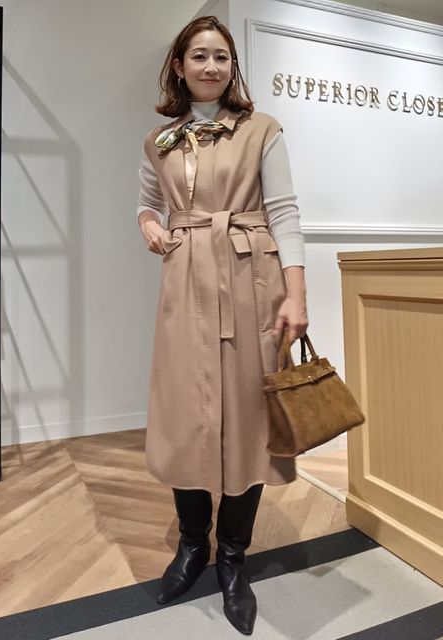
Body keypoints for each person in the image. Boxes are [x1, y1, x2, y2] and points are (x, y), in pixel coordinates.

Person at [137, 15, 308, 636]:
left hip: (250, 281)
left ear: (233, 66)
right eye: (199, 56)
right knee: (184, 414)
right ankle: (192, 545)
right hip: (186, 282)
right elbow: (147, 202)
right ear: (179, 66)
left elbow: (284, 212)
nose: (211, 66)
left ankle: (233, 556)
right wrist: (149, 223)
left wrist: (297, 294)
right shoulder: (159, 140)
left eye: (222, 57)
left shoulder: (263, 129)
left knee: (248, 419)